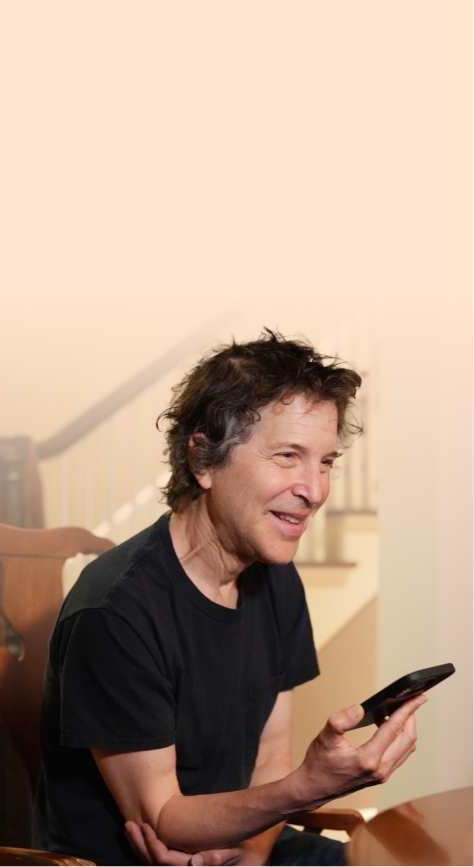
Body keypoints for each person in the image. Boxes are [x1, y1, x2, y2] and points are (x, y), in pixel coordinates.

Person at [33, 331, 425, 866]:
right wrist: (309, 786)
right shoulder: (116, 611)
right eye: (288, 456)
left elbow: (268, 761)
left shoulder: (275, 576)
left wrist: (249, 857)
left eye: (326, 461)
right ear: (204, 460)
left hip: (237, 845)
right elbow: (163, 821)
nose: (315, 489)